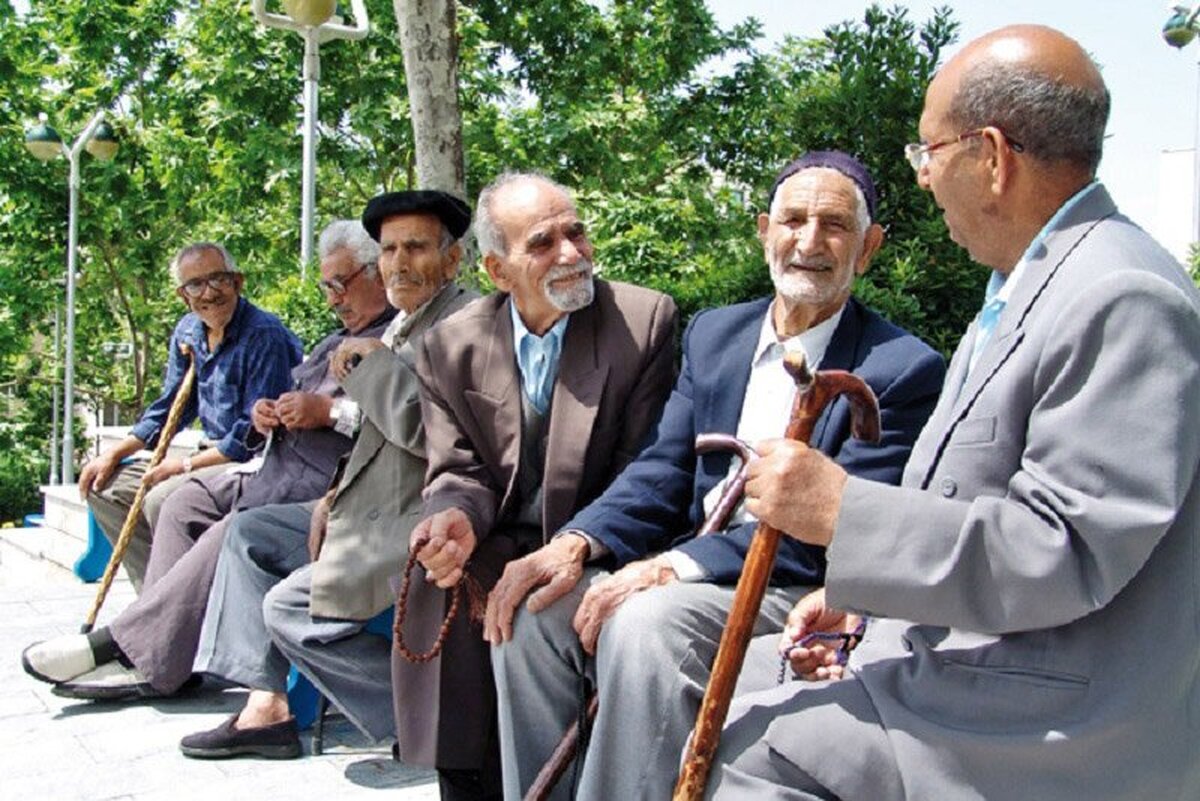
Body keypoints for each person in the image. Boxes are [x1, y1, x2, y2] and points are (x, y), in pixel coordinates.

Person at [705, 25, 1200, 801]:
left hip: (1053, 711)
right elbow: (973, 504)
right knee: (732, 693)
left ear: (993, 157)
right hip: (983, 660)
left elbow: (1063, 548)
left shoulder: (1120, 294)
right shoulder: (1026, 286)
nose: (925, 180)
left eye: (927, 154)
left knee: (759, 750)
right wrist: (862, 602)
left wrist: (843, 512)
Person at [487, 153, 946, 801]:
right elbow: (662, 468)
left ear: (868, 248)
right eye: (792, 219)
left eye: (835, 226)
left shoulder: (901, 369)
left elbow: (832, 535)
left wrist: (673, 565)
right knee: (534, 608)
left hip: (797, 587)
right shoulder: (716, 334)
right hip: (696, 573)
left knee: (648, 623)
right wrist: (576, 543)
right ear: (764, 230)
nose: (809, 241)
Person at [21, 221, 394, 700]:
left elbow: (399, 419)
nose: (332, 297)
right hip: (269, 466)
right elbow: (177, 405)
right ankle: (164, 650)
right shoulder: (327, 338)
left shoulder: (386, 339)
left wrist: (326, 412)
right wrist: (271, 414)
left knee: (227, 528)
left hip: (319, 486)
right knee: (180, 505)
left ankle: (132, 649)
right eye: (326, 286)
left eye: (342, 284)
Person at [398, 172, 679, 801]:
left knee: (529, 599)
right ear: (499, 272)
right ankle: (465, 782)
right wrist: (454, 518)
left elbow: (647, 468)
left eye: (576, 232)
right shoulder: (449, 344)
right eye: (544, 243)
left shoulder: (643, 320)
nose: (572, 254)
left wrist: (578, 547)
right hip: (500, 535)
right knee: (436, 574)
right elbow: (456, 468)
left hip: (601, 540)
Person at [178, 190, 478, 761]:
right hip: (363, 505)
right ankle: (266, 706)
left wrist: (370, 366)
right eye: (390, 249)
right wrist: (332, 494)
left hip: (416, 517)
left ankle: (426, 712)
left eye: (415, 247)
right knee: (249, 533)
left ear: (453, 258)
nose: (400, 262)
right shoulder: (405, 323)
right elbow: (373, 431)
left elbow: (426, 432)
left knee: (288, 608)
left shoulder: (465, 319)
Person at [79, 242, 303, 590]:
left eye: (218, 280)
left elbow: (251, 436)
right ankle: (156, 595)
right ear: (183, 295)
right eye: (196, 285)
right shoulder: (188, 332)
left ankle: (174, 605)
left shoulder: (264, 335)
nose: (209, 293)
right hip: (208, 454)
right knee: (104, 488)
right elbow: (172, 408)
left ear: (238, 282)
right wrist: (115, 453)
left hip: (253, 462)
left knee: (160, 498)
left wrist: (182, 467)